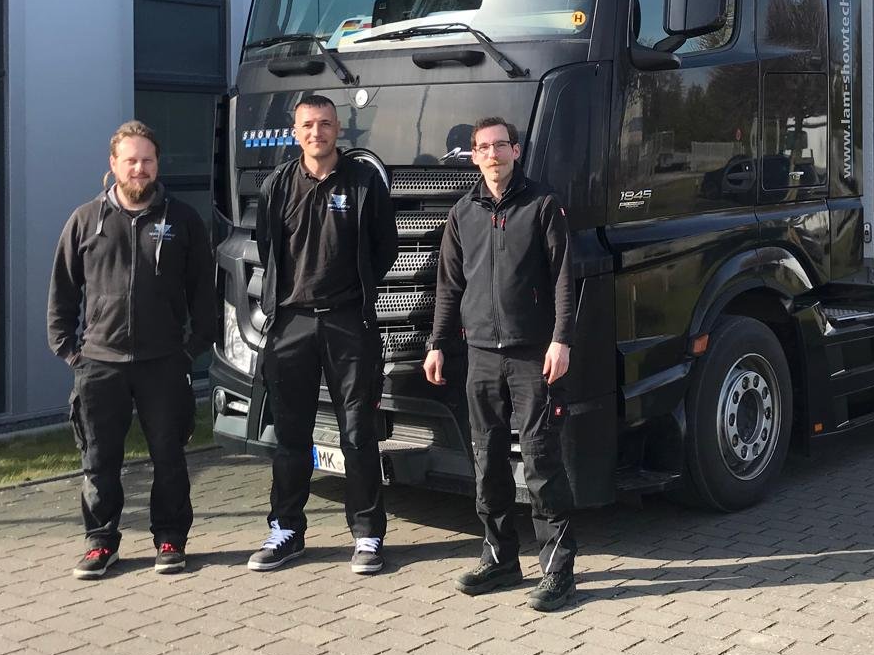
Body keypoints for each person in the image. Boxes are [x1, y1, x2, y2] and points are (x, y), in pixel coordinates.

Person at [47, 121, 218, 579]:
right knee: (99, 460)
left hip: (164, 364)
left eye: (146, 160)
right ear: (114, 166)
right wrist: (71, 352)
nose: (139, 169)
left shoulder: (182, 221)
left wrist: (192, 350)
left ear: (157, 163)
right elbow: (62, 293)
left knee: (169, 456)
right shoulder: (86, 221)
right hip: (100, 365)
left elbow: (205, 291)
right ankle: (101, 543)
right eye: (131, 161)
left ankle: (170, 539)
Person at [423, 116, 578, 612]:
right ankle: (499, 559)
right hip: (481, 357)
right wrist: (438, 343)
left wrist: (561, 340)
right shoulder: (462, 213)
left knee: (540, 461)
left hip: (533, 354)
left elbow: (564, 278)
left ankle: (558, 573)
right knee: (486, 459)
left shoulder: (542, 205)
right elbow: (449, 286)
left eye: (500, 146)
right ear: (473, 156)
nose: (492, 154)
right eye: (482, 147)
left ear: (515, 151)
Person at [248, 94, 398, 575]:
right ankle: (286, 530)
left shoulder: (363, 182)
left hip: (347, 322)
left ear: (339, 130)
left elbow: (385, 247)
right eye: (308, 125)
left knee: (358, 433)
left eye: (326, 124)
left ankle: (369, 534)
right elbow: (267, 246)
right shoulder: (276, 185)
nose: (318, 132)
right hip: (290, 323)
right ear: (295, 132)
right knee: (291, 434)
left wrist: (354, 293)